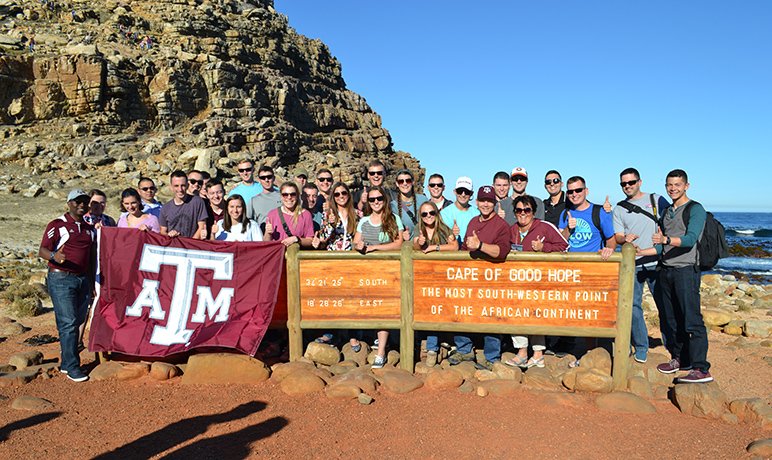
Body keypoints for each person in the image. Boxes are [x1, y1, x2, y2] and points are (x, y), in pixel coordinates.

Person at [644, 169, 712, 383]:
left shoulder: (695, 209)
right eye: (669, 185)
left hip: (686, 270)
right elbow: (659, 246)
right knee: (670, 320)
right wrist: (638, 251)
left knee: (691, 320)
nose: (673, 189)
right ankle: (680, 359)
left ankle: (701, 368)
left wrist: (666, 240)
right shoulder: (667, 212)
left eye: (677, 185)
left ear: (686, 186)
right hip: (665, 270)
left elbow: (690, 239)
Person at [448, 186, 511, 370]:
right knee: (463, 310)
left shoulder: (501, 225)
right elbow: (466, 247)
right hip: (470, 277)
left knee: (490, 315)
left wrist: (480, 245)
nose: (485, 204)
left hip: (492, 279)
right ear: (477, 202)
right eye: (482, 200)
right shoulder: (473, 222)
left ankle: (491, 358)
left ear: (495, 203)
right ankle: (465, 349)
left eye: (489, 201)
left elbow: (501, 252)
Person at [612, 167, 670, 364]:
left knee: (665, 306)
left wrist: (664, 237)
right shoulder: (619, 208)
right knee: (633, 307)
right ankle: (642, 346)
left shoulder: (656, 200)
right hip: (632, 264)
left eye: (631, 182)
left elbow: (673, 221)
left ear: (640, 182)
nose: (627, 186)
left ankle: (673, 348)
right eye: (624, 184)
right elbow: (618, 235)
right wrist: (623, 239)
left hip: (657, 262)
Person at [38, 189, 96, 382]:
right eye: (77, 201)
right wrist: (55, 256)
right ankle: (72, 366)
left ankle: (66, 363)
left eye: (85, 202)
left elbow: (91, 258)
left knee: (76, 321)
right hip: (61, 278)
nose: (82, 205)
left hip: (82, 279)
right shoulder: (58, 225)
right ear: (69, 203)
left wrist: (91, 283)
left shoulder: (89, 229)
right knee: (69, 322)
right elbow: (43, 250)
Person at [504, 195, 568, 368]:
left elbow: (564, 246)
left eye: (527, 210)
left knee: (535, 316)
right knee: (517, 315)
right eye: (519, 210)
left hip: (539, 282)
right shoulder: (512, 230)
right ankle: (522, 352)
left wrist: (544, 248)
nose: (523, 214)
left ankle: (538, 354)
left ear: (533, 211)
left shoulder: (545, 227)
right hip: (517, 282)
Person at [557, 176, 616, 363]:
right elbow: (560, 240)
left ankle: (590, 354)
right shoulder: (565, 213)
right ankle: (576, 350)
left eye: (578, 190)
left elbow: (611, 238)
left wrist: (609, 250)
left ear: (586, 191)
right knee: (574, 312)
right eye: (571, 191)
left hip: (592, 271)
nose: (574, 194)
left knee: (590, 313)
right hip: (571, 271)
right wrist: (568, 228)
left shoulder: (599, 212)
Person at [354, 185, 404, 368]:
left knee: (383, 309)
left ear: (385, 200)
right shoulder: (364, 221)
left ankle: (381, 352)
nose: (376, 202)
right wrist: (358, 246)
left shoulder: (394, 219)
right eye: (372, 199)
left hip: (388, 272)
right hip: (367, 272)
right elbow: (355, 242)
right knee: (370, 307)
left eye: (379, 199)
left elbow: (399, 243)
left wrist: (375, 248)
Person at [412, 201, 458, 367]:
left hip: (442, 277)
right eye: (424, 214)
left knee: (438, 310)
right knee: (427, 310)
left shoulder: (444, 229)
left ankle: (433, 347)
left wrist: (434, 248)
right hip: (423, 278)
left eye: (431, 213)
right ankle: (430, 345)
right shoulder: (418, 229)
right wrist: (421, 243)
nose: (428, 216)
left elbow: (454, 246)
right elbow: (415, 244)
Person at [159, 170, 208, 238]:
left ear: (187, 185)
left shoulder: (198, 202)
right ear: (171, 187)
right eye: (176, 186)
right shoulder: (165, 208)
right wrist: (169, 234)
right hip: (173, 246)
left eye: (183, 185)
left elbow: (202, 226)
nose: (180, 189)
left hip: (192, 245)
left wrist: (191, 243)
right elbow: (163, 231)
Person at [264, 182, 314, 247]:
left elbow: (310, 240)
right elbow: (265, 242)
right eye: (285, 195)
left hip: (295, 254)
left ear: (297, 196)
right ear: (281, 196)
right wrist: (268, 233)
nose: (289, 197)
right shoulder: (272, 214)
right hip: (277, 254)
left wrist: (297, 239)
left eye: (293, 194)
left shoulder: (305, 215)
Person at [314, 182, 356, 251]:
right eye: (337, 194)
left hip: (351, 255)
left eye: (344, 193)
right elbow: (322, 238)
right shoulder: (327, 214)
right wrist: (330, 225)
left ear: (348, 195)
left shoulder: (357, 214)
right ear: (333, 197)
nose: (341, 196)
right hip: (333, 255)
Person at [440, 177, 479, 247]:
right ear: (455, 192)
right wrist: (451, 234)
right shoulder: (444, 213)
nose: (463, 194)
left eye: (467, 191)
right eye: (460, 191)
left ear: (471, 193)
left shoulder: (477, 213)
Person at [390, 169, 427, 240]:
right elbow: (391, 230)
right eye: (401, 181)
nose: (405, 183)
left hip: (423, 244)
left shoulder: (423, 200)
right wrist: (400, 235)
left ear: (413, 182)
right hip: (406, 246)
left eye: (408, 180)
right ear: (397, 184)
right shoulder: (393, 206)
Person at [247, 165, 281, 230]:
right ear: (259, 180)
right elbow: (248, 221)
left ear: (273, 178)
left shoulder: (284, 197)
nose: (266, 180)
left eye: (269, 177)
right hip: (263, 236)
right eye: (263, 178)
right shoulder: (253, 200)